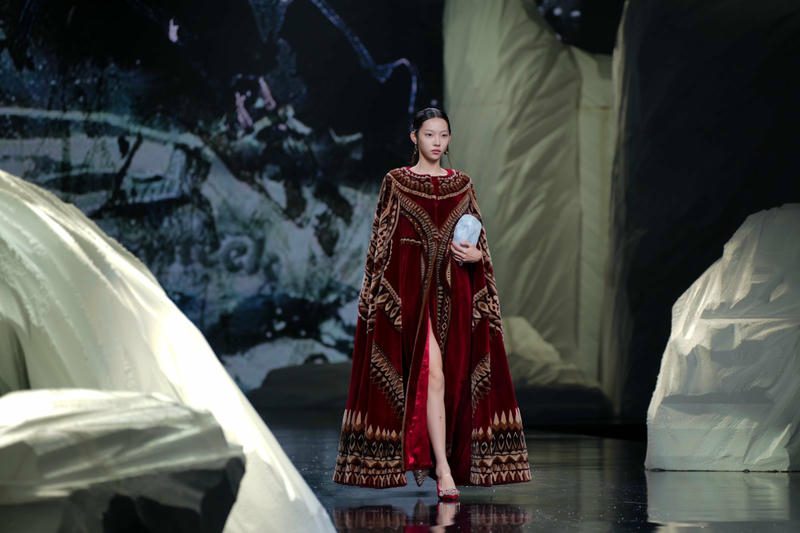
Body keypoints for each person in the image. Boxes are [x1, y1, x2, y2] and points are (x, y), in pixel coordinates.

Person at [332, 107, 531, 500]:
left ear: (449, 138)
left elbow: (480, 243)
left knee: (451, 379)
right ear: (414, 137)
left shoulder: (463, 184)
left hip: (457, 292)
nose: (437, 142)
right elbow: (381, 242)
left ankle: (443, 460)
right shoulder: (396, 182)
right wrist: (378, 300)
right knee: (434, 374)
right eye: (429, 135)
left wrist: (477, 257)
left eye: (443, 135)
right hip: (410, 295)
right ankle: (442, 468)